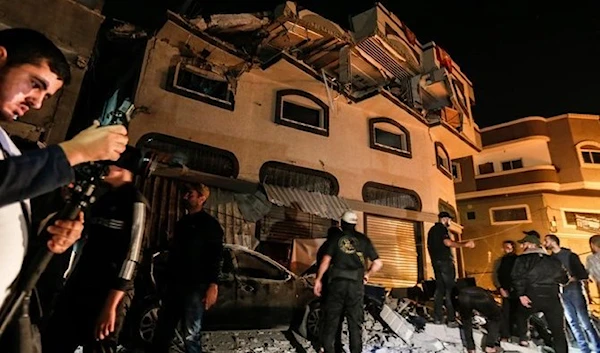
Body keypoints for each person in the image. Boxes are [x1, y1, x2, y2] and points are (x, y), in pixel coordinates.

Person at [0, 28, 129, 311]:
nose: (36, 102)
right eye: (35, 83)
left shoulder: (9, 148)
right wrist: (74, 151)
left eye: (46, 96)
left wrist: (51, 233)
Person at [41, 146, 147, 353]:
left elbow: (132, 255)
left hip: (110, 291)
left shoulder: (135, 202)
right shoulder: (103, 199)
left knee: (99, 345)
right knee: (55, 338)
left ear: (121, 168)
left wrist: (111, 306)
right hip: (81, 283)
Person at [152, 183, 224, 353]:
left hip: (195, 287)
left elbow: (216, 256)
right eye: (185, 194)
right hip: (174, 285)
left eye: (190, 194)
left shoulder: (210, 225)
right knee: (163, 329)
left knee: (191, 334)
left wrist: (213, 285)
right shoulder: (182, 223)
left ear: (202, 198)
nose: (185, 197)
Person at [314, 210, 383, 353]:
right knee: (354, 323)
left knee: (331, 321)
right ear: (355, 223)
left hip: (337, 285)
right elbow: (378, 263)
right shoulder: (364, 240)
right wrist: (368, 274)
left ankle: (328, 350)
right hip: (355, 286)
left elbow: (325, 261)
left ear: (341, 223)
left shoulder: (334, 239)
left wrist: (318, 279)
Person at [511, 232, 568, 353]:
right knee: (558, 330)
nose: (522, 246)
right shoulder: (553, 260)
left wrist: (521, 294)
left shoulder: (522, 259)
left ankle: (524, 339)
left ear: (532, 245)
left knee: (521, 315)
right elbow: (564, 278)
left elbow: (516, 277)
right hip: (552, 296)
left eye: (524, 243)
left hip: (532, 295)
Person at [544, 234, 600, 353]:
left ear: (554, 242)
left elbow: (583, 274)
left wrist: (571, 279)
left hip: (575, 290)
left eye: (546, 240)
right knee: (572, 322)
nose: (544, 243)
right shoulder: (549, 259)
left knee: (585, 321)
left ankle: (597, 347)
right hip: (562, 292)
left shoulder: (570, 255)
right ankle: (584, 349)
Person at [426, 211, 475, 327]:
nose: (450, 222)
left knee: (440, 289)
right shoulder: (441, 229)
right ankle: (451, 319)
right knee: (450, 290)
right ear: (445, 219)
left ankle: (438, 317)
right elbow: (447, 242)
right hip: (445, 263)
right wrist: (465, 245)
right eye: (449, 220)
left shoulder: (431, 231)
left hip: (436, 262)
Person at [316, 225, 343, 353]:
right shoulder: (333, 249)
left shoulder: (324, 248)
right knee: (332, 320)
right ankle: (329, 347)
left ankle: (324, 345)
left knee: (327, 318)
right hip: (333, 289)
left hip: (328, 289)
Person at [458, 286, 502, 353]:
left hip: (463, 297)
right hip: (481, 298)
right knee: (496, 318)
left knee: (466, 321)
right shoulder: (486, 295)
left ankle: (471, 348)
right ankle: (489, 346)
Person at [494, 240, 518, 340]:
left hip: (517, 291)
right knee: (506, 314)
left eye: (508, 248)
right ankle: (506, 334)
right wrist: (500, 288)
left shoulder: (518, 260)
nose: (506, 250)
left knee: (517, 314)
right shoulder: (500, 261)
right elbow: (495, 275)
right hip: (505, 289)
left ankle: (517, 335)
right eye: (505, 248)